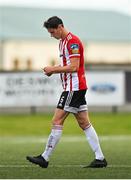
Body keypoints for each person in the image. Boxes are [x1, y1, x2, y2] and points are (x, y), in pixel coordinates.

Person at [26, 16, 107, 168]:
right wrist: (53, 70)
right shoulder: (62, 42)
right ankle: (100, 158)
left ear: (60, 27)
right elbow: (66, 64)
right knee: (84, 123)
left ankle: (45, 157)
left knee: (57, 121)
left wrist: (53, 69)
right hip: (74, 88)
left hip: (74, 88)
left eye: (52, 32)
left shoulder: (72, 42)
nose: (51, 35)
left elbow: (74, 67)